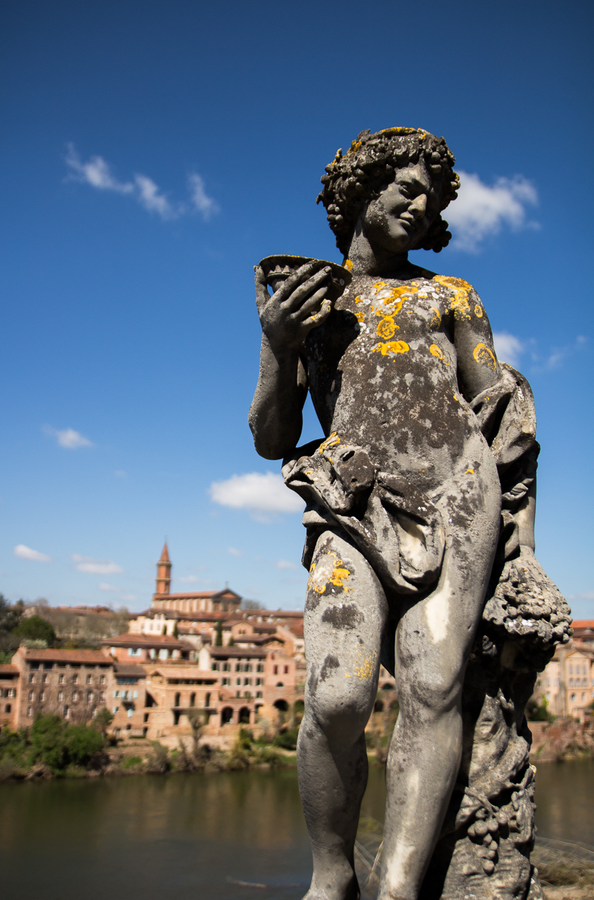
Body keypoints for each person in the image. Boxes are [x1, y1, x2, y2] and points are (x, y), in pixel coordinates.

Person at [249, 127, 537, 900]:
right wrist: (278, 345)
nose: (420, 203)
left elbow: (500, 411)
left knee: (434, 690)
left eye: (431, 197)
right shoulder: (311, 298)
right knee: (336, 698)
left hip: (457, 497)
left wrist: (525, 543)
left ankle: (401, 884)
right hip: (351, 497)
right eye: (404, 188)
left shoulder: (451, 295)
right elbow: (272, 438)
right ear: (359, 192)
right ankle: (332, 872)